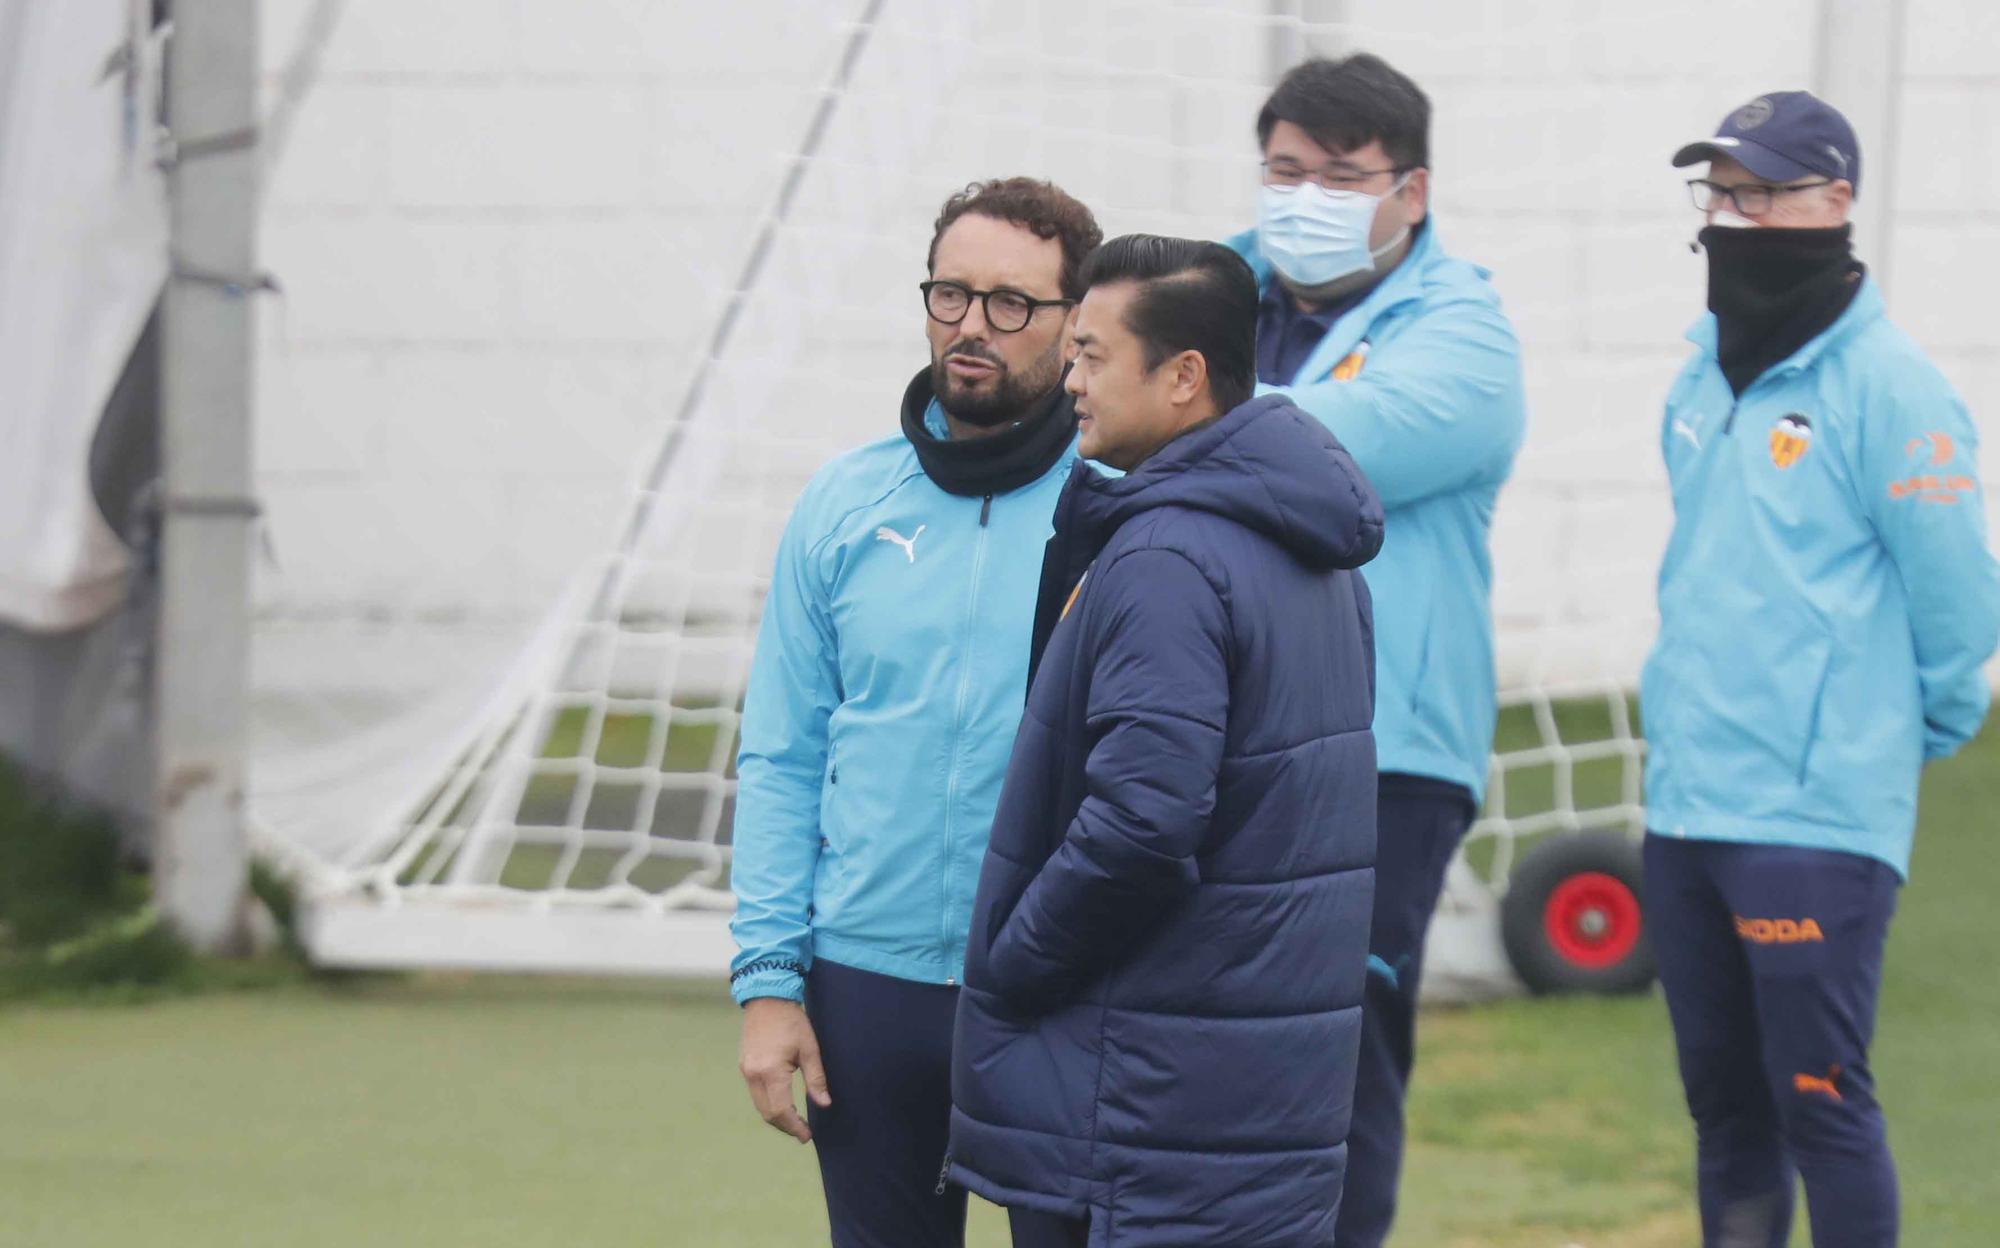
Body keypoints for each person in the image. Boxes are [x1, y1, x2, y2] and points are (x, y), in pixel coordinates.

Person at [948, 235, 1386, 1247]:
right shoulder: (1315, 555)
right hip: (1252, 1117)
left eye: (1094, 355)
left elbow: (1142, 822)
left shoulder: (1167, 556)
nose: (1070, 378)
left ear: (1183, 377)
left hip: (1144, 1121)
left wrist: (1012, 964)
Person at [1643, 90, 2000, 1247]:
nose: (1732, 219)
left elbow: (1957, 606)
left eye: (1761, 194)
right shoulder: (1698, 376)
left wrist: (1901, 733)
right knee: (1723, 1115)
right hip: (1685, 803)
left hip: (1812, 816)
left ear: (1833, 202)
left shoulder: (1892, 389)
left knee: (1820, 1106)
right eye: (1720, 195)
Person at [729, 176, 1102, 1248]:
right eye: (949, 293)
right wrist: (767, 982)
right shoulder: (844, 504)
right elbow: (782, 755)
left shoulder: (1118, 500)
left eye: (1010, 303)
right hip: (867, 989)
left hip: (1058, 987)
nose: (971, 325)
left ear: (1075, 321)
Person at [1222, 53, 1526, 1248]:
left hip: (1382, 754)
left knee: (1339, 1058)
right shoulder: (1205, 289)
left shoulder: (1467, 336)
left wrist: (1163, 397)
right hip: (1207, 726)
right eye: (1284, 169)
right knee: (1193, 1047)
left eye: (1340, 175)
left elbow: (1338, 448)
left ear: (1411, 190)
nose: (1306, 196)